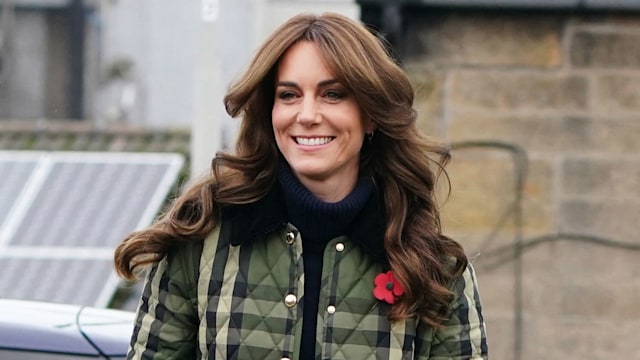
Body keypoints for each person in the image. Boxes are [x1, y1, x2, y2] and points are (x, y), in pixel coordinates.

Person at [114, 12, 488, 360]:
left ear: (372, 115)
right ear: (270, 111)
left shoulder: (434, 266)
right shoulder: (202, 237)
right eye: (289, 95)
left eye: (333, 94)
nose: (307, 116)